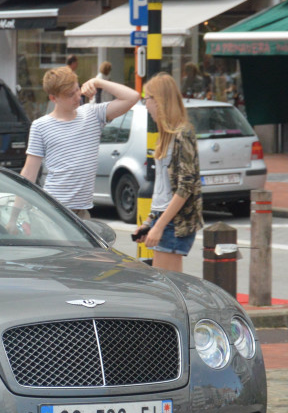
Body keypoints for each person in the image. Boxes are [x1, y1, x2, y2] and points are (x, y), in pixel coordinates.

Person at [20, 66, 139, 218]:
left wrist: (98, 82)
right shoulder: (40, 126)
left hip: (82, 212)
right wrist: (15, 215)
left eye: (77, 89)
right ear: (53, 98)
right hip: (54, 210)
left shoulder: (93, 114)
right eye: (70, 95)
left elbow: (132, 97)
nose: (77, 97)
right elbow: (29, 172)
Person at [134, 73, 202, 273]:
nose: (146, 105)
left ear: (160, 101)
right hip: (164, 219)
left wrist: (159, 225)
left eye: (147, 99)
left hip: (174, 222)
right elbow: (162, 190)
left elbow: (185, 187)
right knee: (166, 288)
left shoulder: (183, 134)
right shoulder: (165, 136)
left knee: (169, 289)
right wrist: (149, 222)